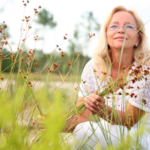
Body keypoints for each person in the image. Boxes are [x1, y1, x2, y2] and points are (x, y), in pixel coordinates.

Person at [64, 6, 150, 149]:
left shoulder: (145, 69)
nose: (121, 30)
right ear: (106, 34)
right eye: (114, 26)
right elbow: (82, 115)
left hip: (140, 135)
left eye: (128, 26)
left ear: (138, 38)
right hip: (106, 134)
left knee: (92, 134)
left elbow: (130, 119)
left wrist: (103, 110)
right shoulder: (93, 66)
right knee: (81, 131)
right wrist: (56, 124)